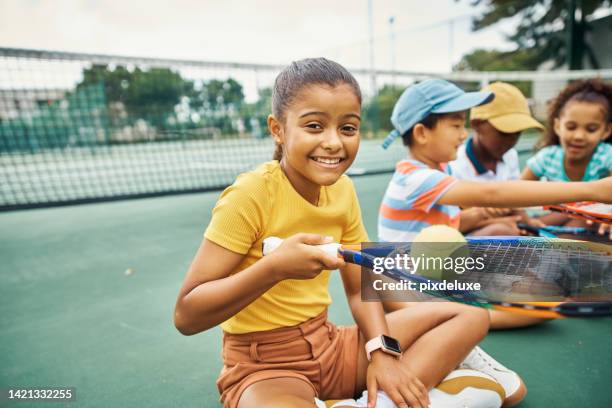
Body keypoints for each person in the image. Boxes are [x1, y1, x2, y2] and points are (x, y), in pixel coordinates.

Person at [174, 60, 504, 408]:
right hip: (264, 367)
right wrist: (273, 269)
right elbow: (187, 315)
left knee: (470, 314)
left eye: (348, 128)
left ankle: (384, 399)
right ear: (278, 129)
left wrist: (382, 352)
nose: (333, 142)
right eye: (314, 126)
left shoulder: (343, 190)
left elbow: (361, 285)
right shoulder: (250, 195)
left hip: (332, 346)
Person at [378, 78, 612, 363]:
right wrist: (593, 190)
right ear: (421, 133)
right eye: (456, 125)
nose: (463, 135)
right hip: (409, 283)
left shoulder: (438, 169)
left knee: (540, 293)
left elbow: (467, 215)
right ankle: (452, 316)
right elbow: (493, 192)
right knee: (546, 306)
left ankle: (454, 313)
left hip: (437, 269)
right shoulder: (415, 177)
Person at [449, 82, 546, 237]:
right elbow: (450, 225)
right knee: (501, 232)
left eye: (518, 133)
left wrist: (527, 221)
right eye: (504, 132)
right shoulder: (454, 167)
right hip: (462, 241)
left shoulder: (510, 155)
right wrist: (495, 223)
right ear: (477, 125)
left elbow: (513, 200)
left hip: (505, 229)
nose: (512, 140)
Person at [522, 78, 612, 238]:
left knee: (583, 220)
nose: (578, 136)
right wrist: (524, 218)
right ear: (558, 126)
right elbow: (518, 190)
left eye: (591, 129)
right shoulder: (548, 157)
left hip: (593, 225)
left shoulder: (606, 156)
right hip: (554, 221)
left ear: (606, 131)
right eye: (571, 127)